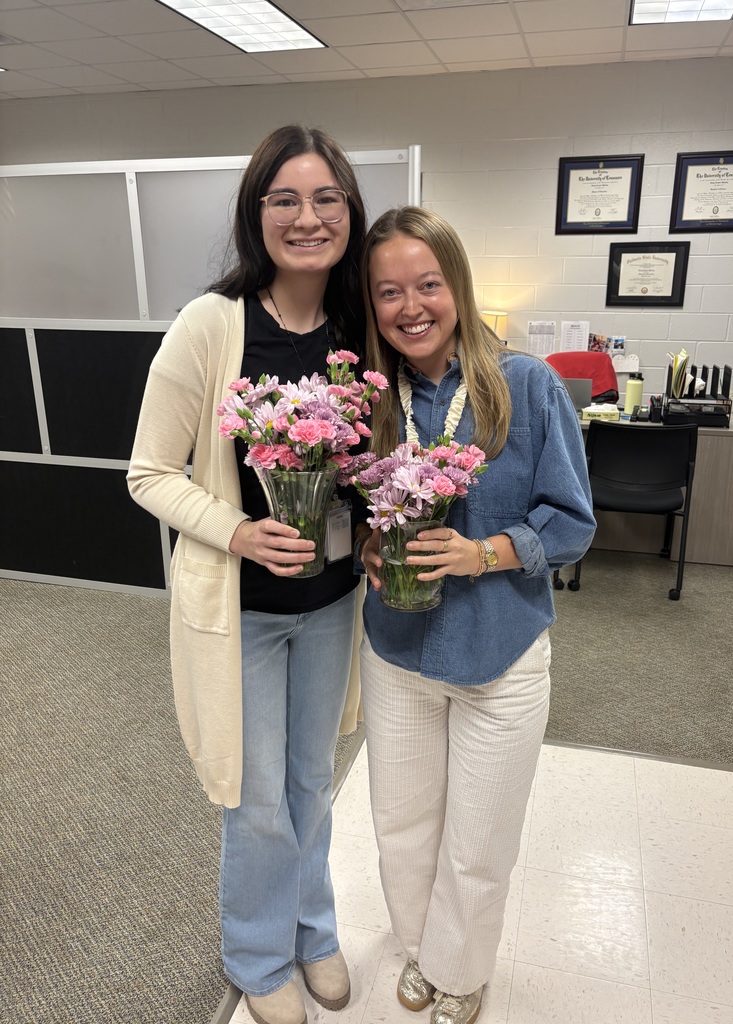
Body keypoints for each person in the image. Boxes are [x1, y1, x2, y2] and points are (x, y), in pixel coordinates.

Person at [127, 125, 367, 1024]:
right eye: (285, 200)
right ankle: (259, 955)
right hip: (246, 610)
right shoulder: (211, 326)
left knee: (314, 779)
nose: (307, 218)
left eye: (326, 199)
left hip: (334, 602)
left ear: (349, 211)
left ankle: (315, 929)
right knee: (256, 795)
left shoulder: (357, 330)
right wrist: (237, 532)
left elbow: (372, 462)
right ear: (255, 212)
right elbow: (149, 473)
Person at [357, 206, 596, 1024]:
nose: (410, 306)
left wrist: (483, 552)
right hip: (397, 651)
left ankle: (463, 969)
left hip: (500, 652)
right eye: (390, 291)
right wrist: (365, 550)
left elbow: (571, 522)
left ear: (455, 285)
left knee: (479, 841)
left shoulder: (524, 385)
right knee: (402, 826)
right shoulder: (368, 400)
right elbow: (352, 512)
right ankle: (423, 948)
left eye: (427, 284)